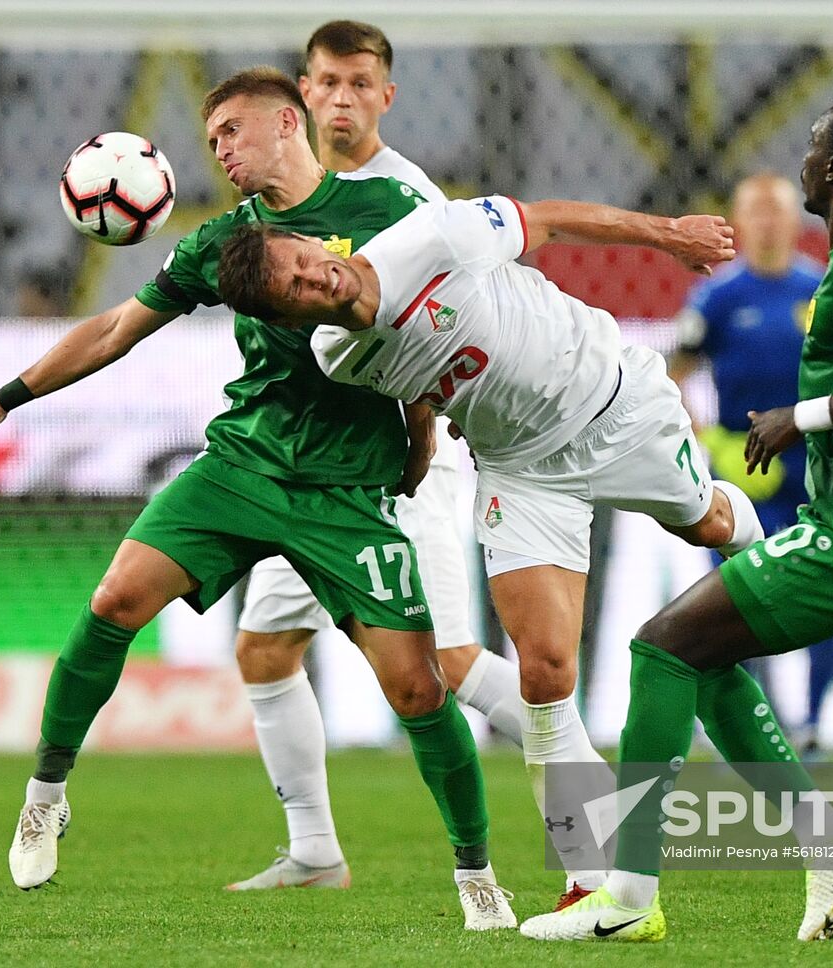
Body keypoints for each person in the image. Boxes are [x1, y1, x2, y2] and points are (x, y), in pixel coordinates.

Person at [0, 65, 516, 931]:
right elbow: (114, 330)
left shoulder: (387, 215)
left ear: (287, 124)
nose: (217, 149)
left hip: (346, 490)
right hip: (244, 467)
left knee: (418, 688)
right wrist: (8, 396)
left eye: (230, 132)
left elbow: (428, 336)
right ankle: (46, 793)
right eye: (211, 138)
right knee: (115, 600)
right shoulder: (223, 244)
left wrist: (422, 437)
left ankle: (477, 876)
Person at [215, 194, 767, 905]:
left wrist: (670, 231)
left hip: (611, 404)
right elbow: (412, 388)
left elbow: (550, 218)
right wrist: (417, 453)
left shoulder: (428, 237)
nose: (314, 277)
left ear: (313, 243)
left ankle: (769, 547)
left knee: (709, 524)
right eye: (292, 288)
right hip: (523, 472)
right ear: (289, 319)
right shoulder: (335, 354)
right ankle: (591, 878)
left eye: (303, 259)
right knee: (543, 673)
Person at [519, 100, 833, 943]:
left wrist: (798, 420)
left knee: (658, 647)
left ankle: (628, 897)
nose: (804, 160)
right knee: (699, 649)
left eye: (812, 146)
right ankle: (820, 842)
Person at [226, 21, 527, 896]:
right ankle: (315, 852)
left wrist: (437, 425)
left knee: (449, 664)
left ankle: (596, 782)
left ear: (385, 96)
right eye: (327, 82)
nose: (343, 98)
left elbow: (462, 319)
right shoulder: (282, 199)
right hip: (316, 474)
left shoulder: (406, 198)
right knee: (266, 648)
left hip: (404, 465)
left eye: (361, 83)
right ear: (300, 97)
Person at [670, 172, 833, 755]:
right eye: (756, 213)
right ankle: (743, 730)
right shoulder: (717, 297)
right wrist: (707, 442)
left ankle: (814, 722)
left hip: (809, 474)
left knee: (820, 596)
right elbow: (672, 377)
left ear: (797, 221)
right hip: (740, 475)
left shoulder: (819, 291)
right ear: (738, 224)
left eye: (777, 212)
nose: (767, 224)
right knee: (732, 600)